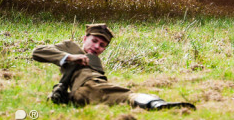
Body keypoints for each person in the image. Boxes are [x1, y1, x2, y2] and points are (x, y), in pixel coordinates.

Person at [32, 23, 195, 110]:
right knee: (127, 95)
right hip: (90, 86)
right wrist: (69, 57)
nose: (97, 47)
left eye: (102, 45)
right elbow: (38, 52)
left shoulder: (95, 61)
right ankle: (157, 104)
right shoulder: (70, 46)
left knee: (114, 97)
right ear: (84, 38)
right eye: (94, 41)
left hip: (82, 94)